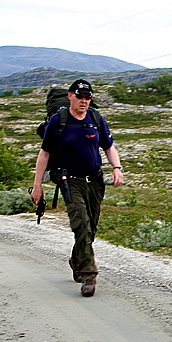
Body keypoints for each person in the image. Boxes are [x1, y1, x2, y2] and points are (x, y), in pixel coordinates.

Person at [30, 79, 124, 297]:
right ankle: (89, 275)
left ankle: (77, 258)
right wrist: (37, 186)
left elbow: (109, 147)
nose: (84, 101)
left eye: (88, 97)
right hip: (70, 181)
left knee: (90, 227)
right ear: (70, 96)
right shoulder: (58, 121)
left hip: (95, 180)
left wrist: (117, 168)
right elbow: (44, 154)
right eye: (80, 96)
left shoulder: (96, 119)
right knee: (81, 224)